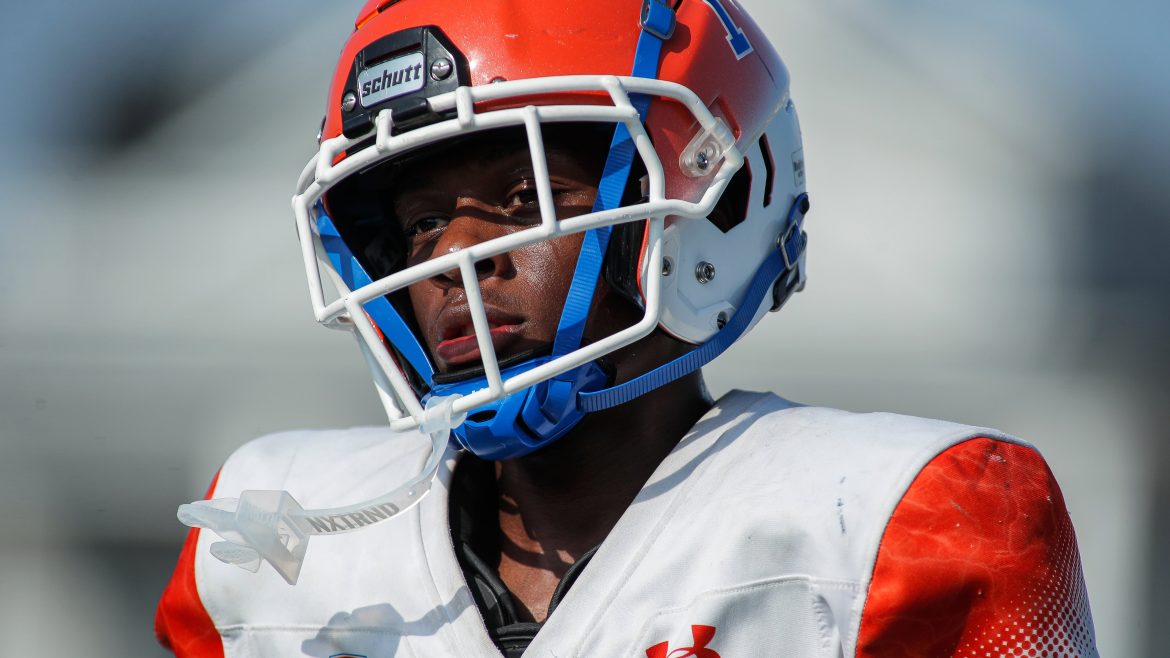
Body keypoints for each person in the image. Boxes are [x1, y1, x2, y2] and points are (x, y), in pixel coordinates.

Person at [156, 0, 1099, 656]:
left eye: (526, 199)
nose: (459, 257)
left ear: (700, 205)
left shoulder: (899, 527)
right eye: (420, 222)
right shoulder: (273, 555)